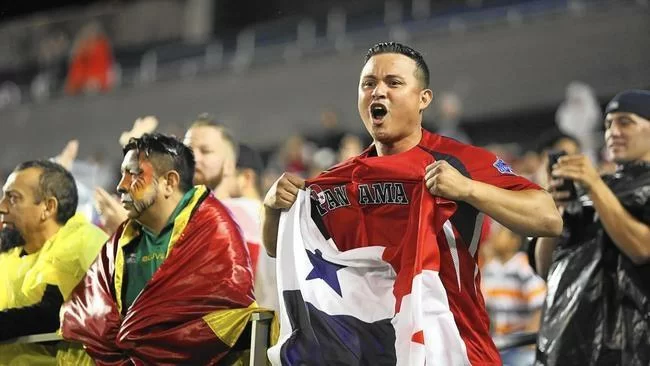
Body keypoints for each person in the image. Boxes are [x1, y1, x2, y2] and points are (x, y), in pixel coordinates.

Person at [262, 42, 562, 365]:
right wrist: (270, 210)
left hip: (454, 351)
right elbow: (281, 249)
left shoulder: (458, 162)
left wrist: (468, 190)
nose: (378, 92)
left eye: (393, 83)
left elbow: (549, 217)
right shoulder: (337, 182)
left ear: (423, 99)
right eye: (369, 84)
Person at [60, 133, 257, 365]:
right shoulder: (122, 239)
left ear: (169, 182)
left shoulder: (212, 225)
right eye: (123, 174)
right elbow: (87, 312)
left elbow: (224, 309)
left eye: (133, 175)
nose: (120, 186)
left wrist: (132, 336)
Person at [535, 89, 650, 365]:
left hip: (629, 349)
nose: (613, 132)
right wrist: (555, 210)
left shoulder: (597, 187)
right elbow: (545, 267)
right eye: (608, 124)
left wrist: (595, 186)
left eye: (625, 122)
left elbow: (642, 249)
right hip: (564, 347)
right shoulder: (591, 189)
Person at [0, 160, 106, 363]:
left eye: (13, 198)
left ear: (48, 207)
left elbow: (50, 315)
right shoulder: (10, 254)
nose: (2, 207)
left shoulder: (83, 242)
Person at [481, 225, 545, 366]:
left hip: (520, 342)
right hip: (499, 342)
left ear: (514, 241)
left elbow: (539, 306)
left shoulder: (523, 266)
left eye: (499, 233)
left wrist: (529, 343)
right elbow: (486, 308)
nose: (494, 236)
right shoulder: (490, 268)